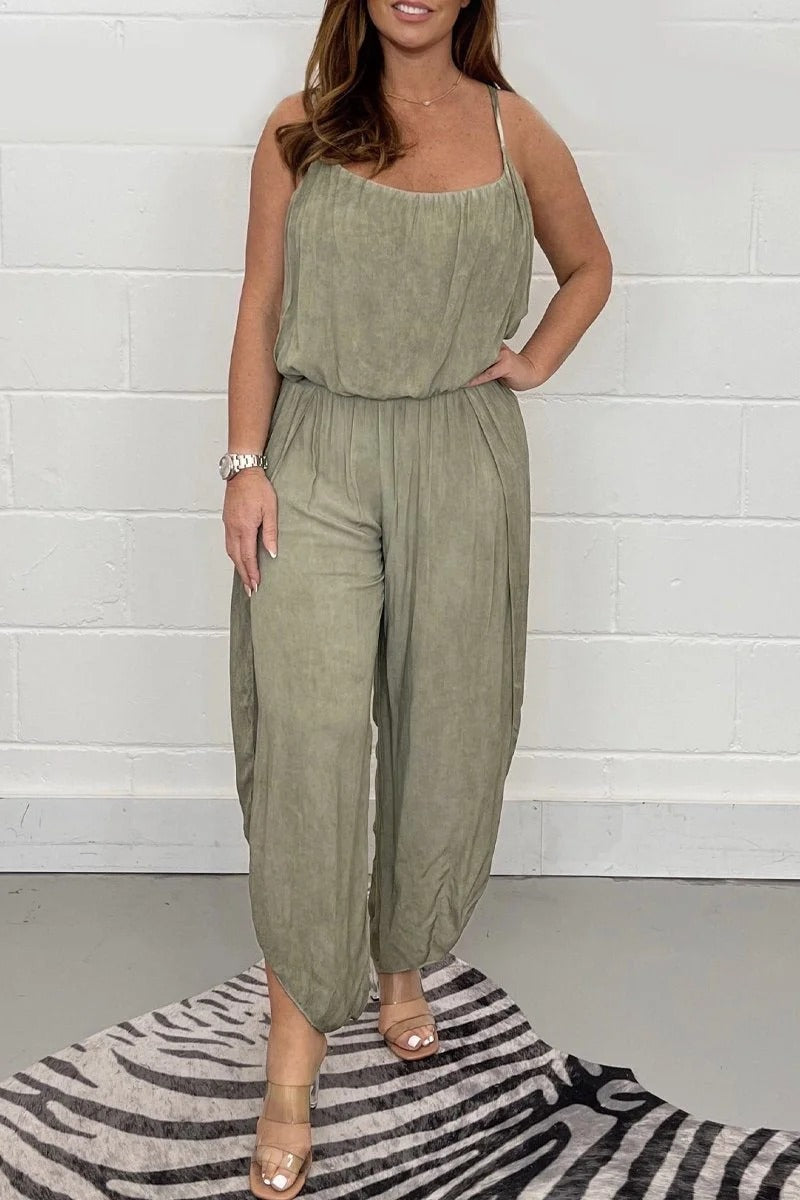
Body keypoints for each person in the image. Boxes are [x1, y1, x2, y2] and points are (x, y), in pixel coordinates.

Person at [222, 1, 612, 1195]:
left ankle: (402, 963)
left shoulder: (512, 128)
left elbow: (589, 266)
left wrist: (533, 359)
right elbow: (259, 302)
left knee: (446, 725)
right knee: (310, 739)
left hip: (461, 452)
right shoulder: (297, 130)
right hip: (316, 450)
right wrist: (243, 464)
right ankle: (294, 1060)